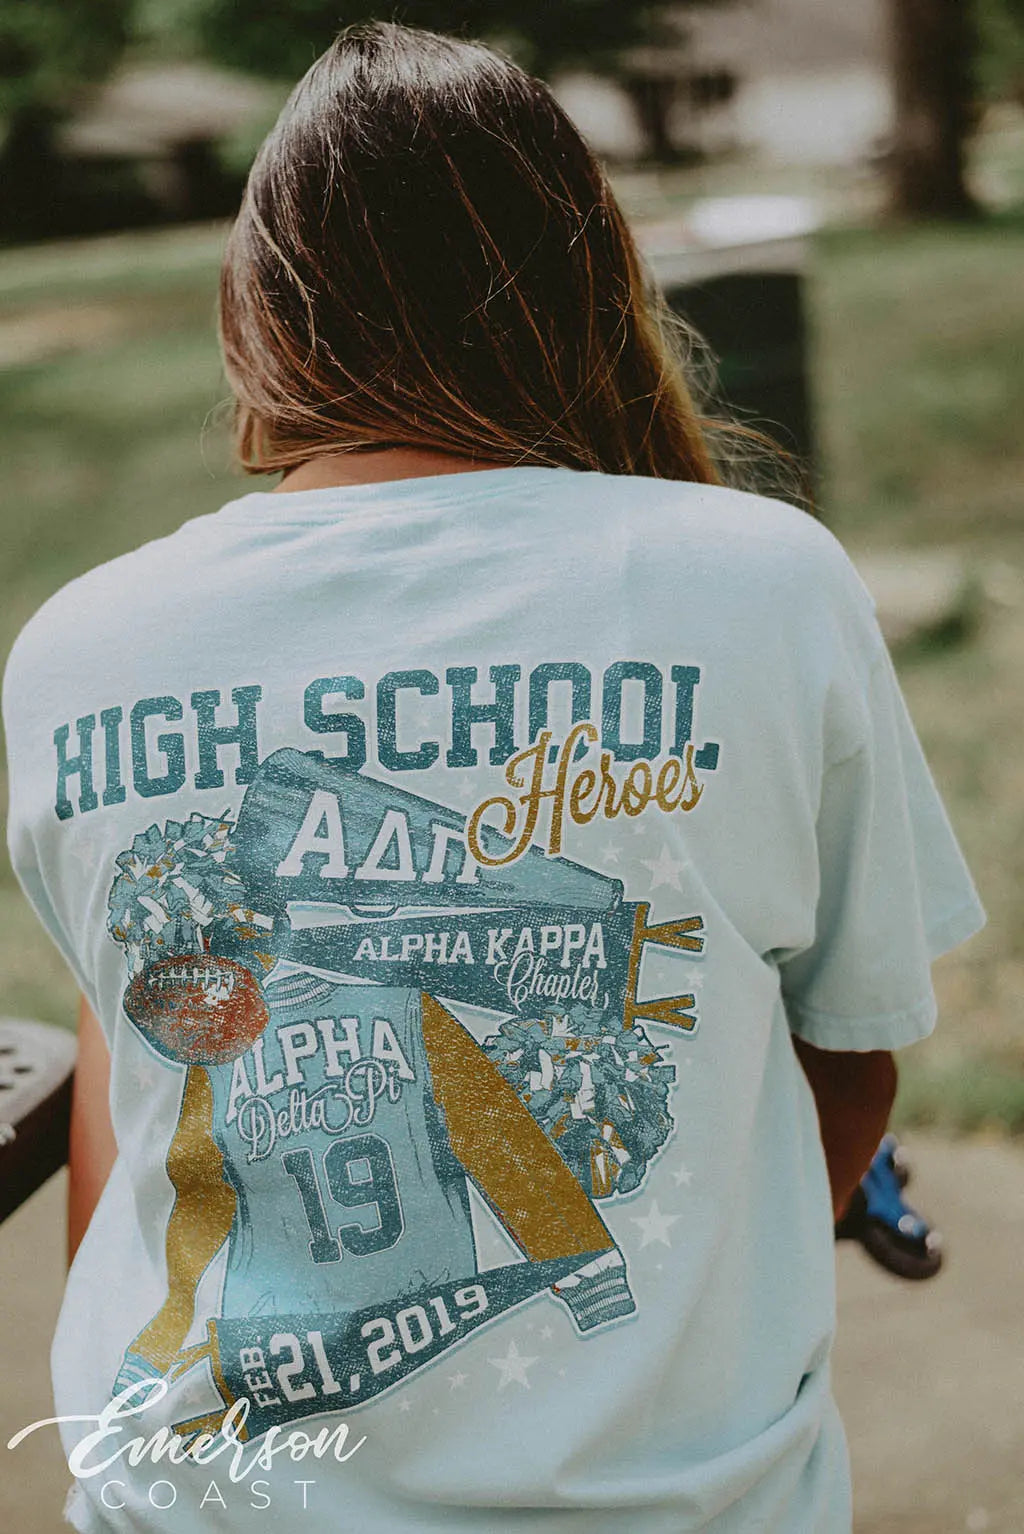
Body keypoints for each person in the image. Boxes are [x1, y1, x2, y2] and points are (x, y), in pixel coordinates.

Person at [2, 21, 985, 1534]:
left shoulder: (75, 652)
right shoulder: (770, 587)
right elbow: (848, 1062)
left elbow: (134, 1109)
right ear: (585, 286)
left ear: (257, 312)